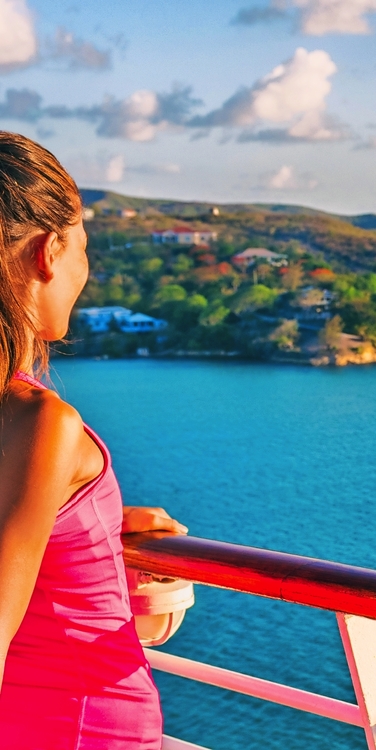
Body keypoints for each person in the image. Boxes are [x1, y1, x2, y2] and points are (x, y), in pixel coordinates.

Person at [0, 131, 186, 749]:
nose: (87, 269)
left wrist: (94, 526)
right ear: (48, 252)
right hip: (77, 729)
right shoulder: (39, 421)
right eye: (84, 246)